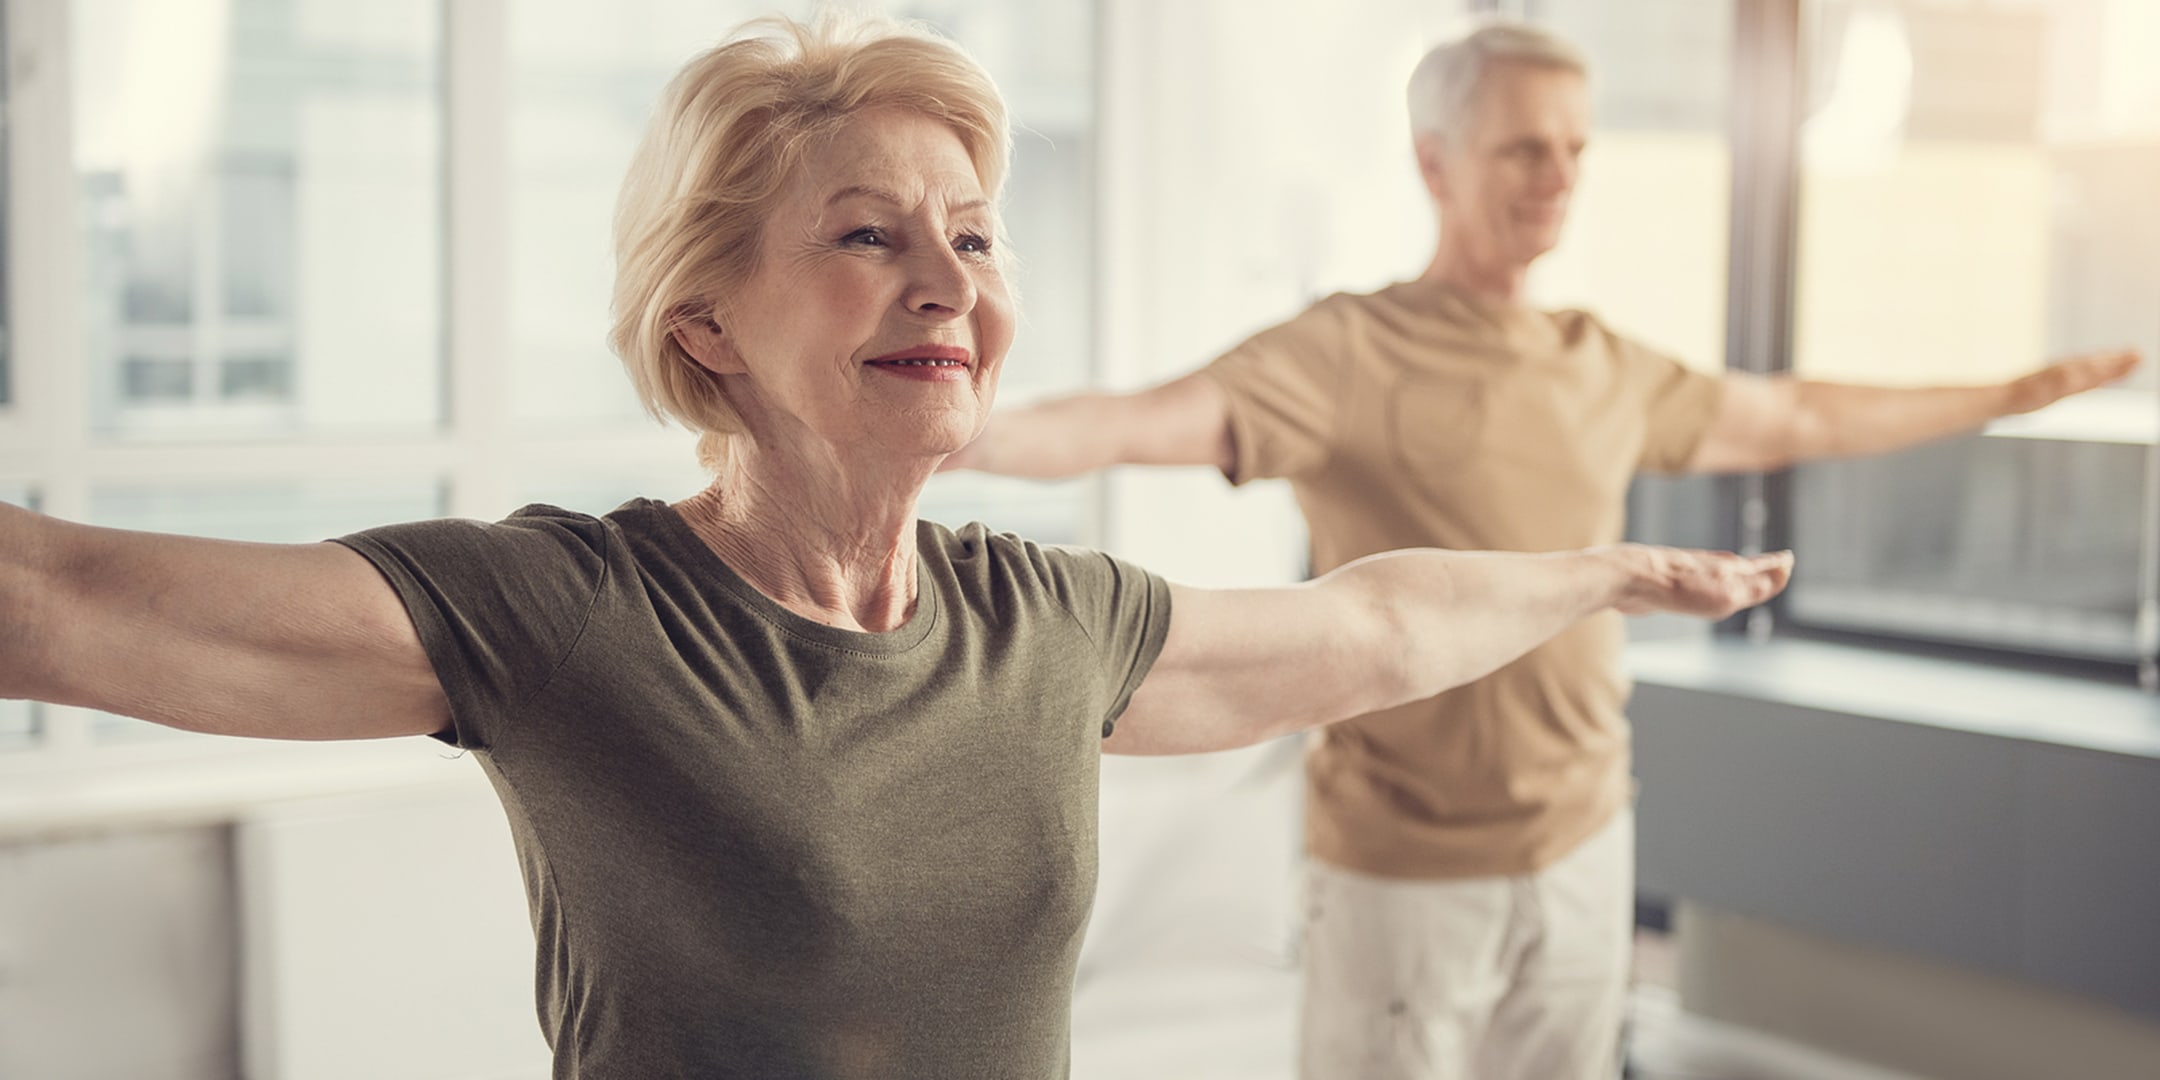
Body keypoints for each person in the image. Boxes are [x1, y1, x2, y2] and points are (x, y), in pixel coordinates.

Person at [0, 14, 1791, 1079]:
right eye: (868, 237)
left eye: (978, 237)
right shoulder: (576, 614)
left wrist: (1606, 572)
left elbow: (1372, 631)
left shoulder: (1045, 623)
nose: (950, 281)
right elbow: (58, 597)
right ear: (707, 322)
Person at [943, 19, 2141, 1080]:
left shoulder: (1597, 360)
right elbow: (1134, 419)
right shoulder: (1348, 351)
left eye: (1575, 149)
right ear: (1436, 164)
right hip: (1404, 873)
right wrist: (952, 426)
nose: (1558, 177)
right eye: (1524, 148)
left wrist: (2012, 391)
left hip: (1583, 841)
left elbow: (1799, 415)